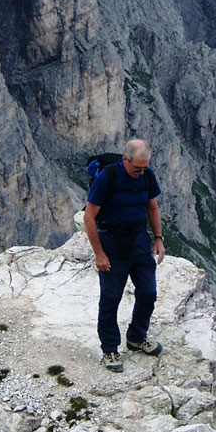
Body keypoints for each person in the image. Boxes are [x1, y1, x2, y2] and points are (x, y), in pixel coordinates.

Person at [83, 139, 166, 372]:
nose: (140, 173)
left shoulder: (147, 176)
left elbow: (152, 206)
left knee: (148, 292)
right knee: (111, 298)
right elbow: (90, 217)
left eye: (144, 168)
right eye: (136, 168)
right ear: (125, 159)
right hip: (112, 242)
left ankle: (137, 337)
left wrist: (158, 238)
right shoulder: (107, 178)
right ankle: (110, 348)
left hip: (139, 240)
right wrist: (99, 253)